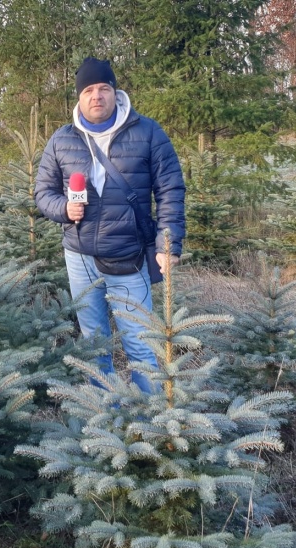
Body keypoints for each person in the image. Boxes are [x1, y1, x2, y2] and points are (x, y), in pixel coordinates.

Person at [34, 57, 186, 395]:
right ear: (79, 97)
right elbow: (42, 192)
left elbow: (170, 189)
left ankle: (150, 421)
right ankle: (103, 410)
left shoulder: (148, 133)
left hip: (128, 255)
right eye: (88, 90)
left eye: (104, 88)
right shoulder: (61, 140)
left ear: (115, 92)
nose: (97, 96)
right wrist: (63, 208)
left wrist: (169, 243)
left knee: (140, 341)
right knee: (93, 341)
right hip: (79, 257)